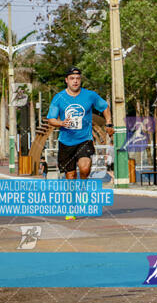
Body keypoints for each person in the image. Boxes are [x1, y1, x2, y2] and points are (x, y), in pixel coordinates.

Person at [46, 67, 114, 220]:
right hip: (66, 142)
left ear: (80, 79)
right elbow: (50, 119)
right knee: (70, 176)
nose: (75, 81)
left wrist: (109, 123)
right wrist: (61, 123)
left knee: (85, 168)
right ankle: (71, 207)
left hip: (84, 139)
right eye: (72, 78)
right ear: (66, 80)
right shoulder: (58, 98)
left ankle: (83, 188)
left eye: (77, 78)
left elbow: (104, 107)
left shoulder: (90, 95)